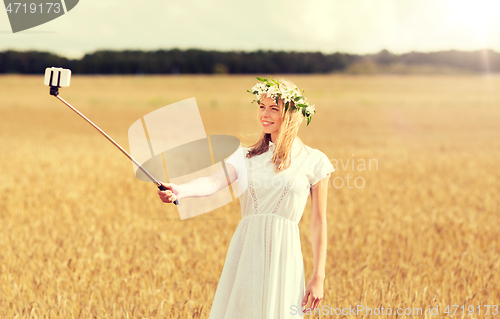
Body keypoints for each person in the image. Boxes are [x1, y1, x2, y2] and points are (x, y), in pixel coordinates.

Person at [158, 76, 334, 318]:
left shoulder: (315, 161)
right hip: (247, 250)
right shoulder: (245, 157)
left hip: (285, 254)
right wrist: (180, 190)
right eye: (262, 107)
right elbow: (212, 182)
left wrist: (319, 276)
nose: (265, 114)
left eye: (274, 108)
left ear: (291, 113)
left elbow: (318, 222)